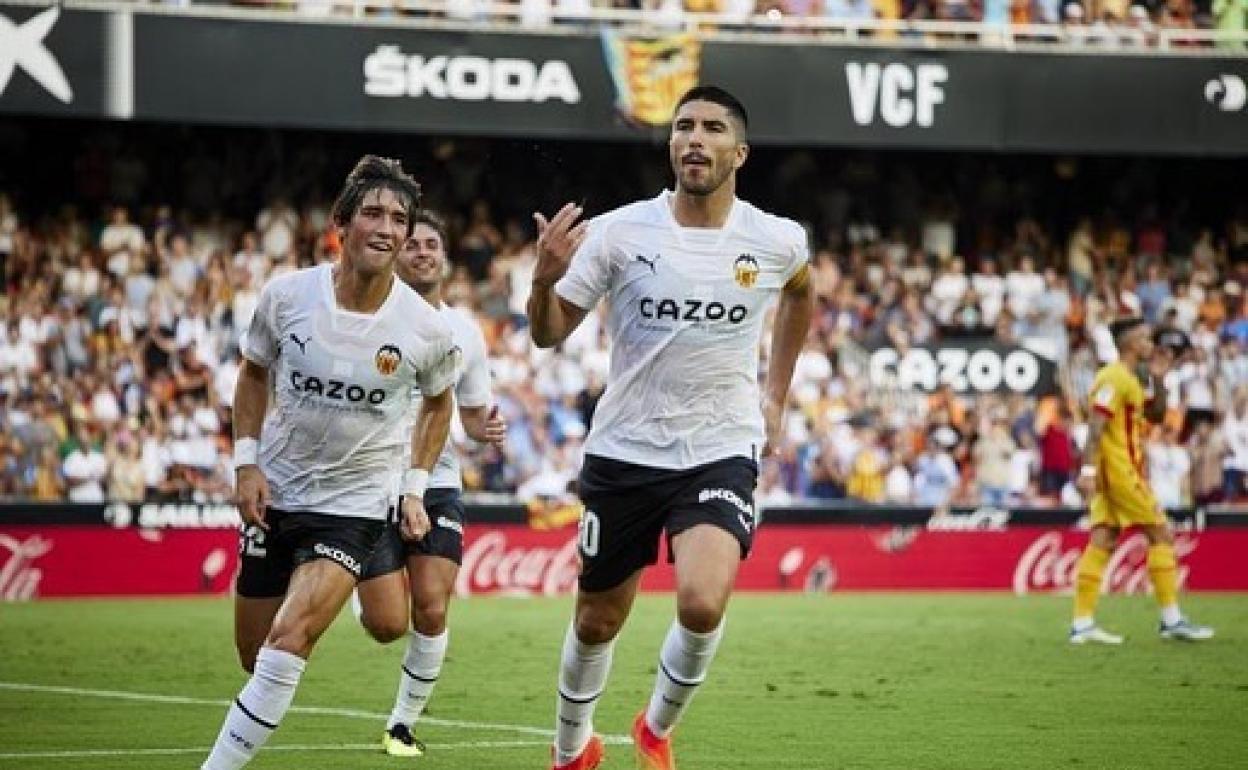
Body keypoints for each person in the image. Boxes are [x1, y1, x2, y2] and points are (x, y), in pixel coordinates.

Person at [528, 85, 813, 770]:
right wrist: (543, 281)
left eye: (713, 128)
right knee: (598, 619)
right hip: (625, 449)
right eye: (684, 126)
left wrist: (775, 398)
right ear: (670, 145)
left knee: (702, 601)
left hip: (719, 446)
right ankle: (572, 749)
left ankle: (654, 730)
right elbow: (546, 335)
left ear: (738, 152)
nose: (695, 138)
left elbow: (803, 295)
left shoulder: (776, 239)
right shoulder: (620, 233)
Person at [199, 156, 460, 770]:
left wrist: (416, 487)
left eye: (400, 218)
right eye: (373, 212)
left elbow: (438, 403)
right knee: (256, 653)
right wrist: (245, 464)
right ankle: (315, 597)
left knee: (290, 641)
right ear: (341, 224)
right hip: (279, 495)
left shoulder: (425, 328)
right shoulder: (287, 296)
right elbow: (254, 373)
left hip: (355, 507)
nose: (388, 227)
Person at [353, 210, 507, 757]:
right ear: (396, 254)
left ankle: (401, 724)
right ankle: (358, 585)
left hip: (438, 482)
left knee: (434, 608)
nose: (421, 251)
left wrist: (485, 428)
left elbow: (468, 417)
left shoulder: (465, 331)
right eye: (412, 243)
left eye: (431, 244)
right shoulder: (369, 319)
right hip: (372, 481)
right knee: (386, 625)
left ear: (443, 257)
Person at [1070, 317, 1213, 645]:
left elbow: (1157, 416)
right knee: (1161, 533)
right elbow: (1095, 426)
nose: (1152, 343)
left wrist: (1161, 380)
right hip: (1120, 472)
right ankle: (1171, 620)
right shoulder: (1112, 377)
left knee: (1103, 539)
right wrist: (1088, 471)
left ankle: (1082, 624)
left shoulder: (1133, 380)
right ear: (1130, 344)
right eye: (1146, 337)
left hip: (1120, 471)